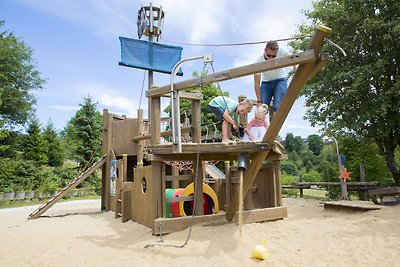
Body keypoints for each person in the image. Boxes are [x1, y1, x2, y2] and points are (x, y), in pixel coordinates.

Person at [254, 41, 296, 112]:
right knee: (262, 109)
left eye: (274, 56)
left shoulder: (280, 50)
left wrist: (296, 68)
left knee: (278, 106)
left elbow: (291, 58)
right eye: (269, 55)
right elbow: (256, 83)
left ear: (277, 51)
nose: (271, 58)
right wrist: (259, 101)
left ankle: (277, 122)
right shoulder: (259, 61)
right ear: (265, 50)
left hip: (280, 80)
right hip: (266, 82)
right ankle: (261, 122)